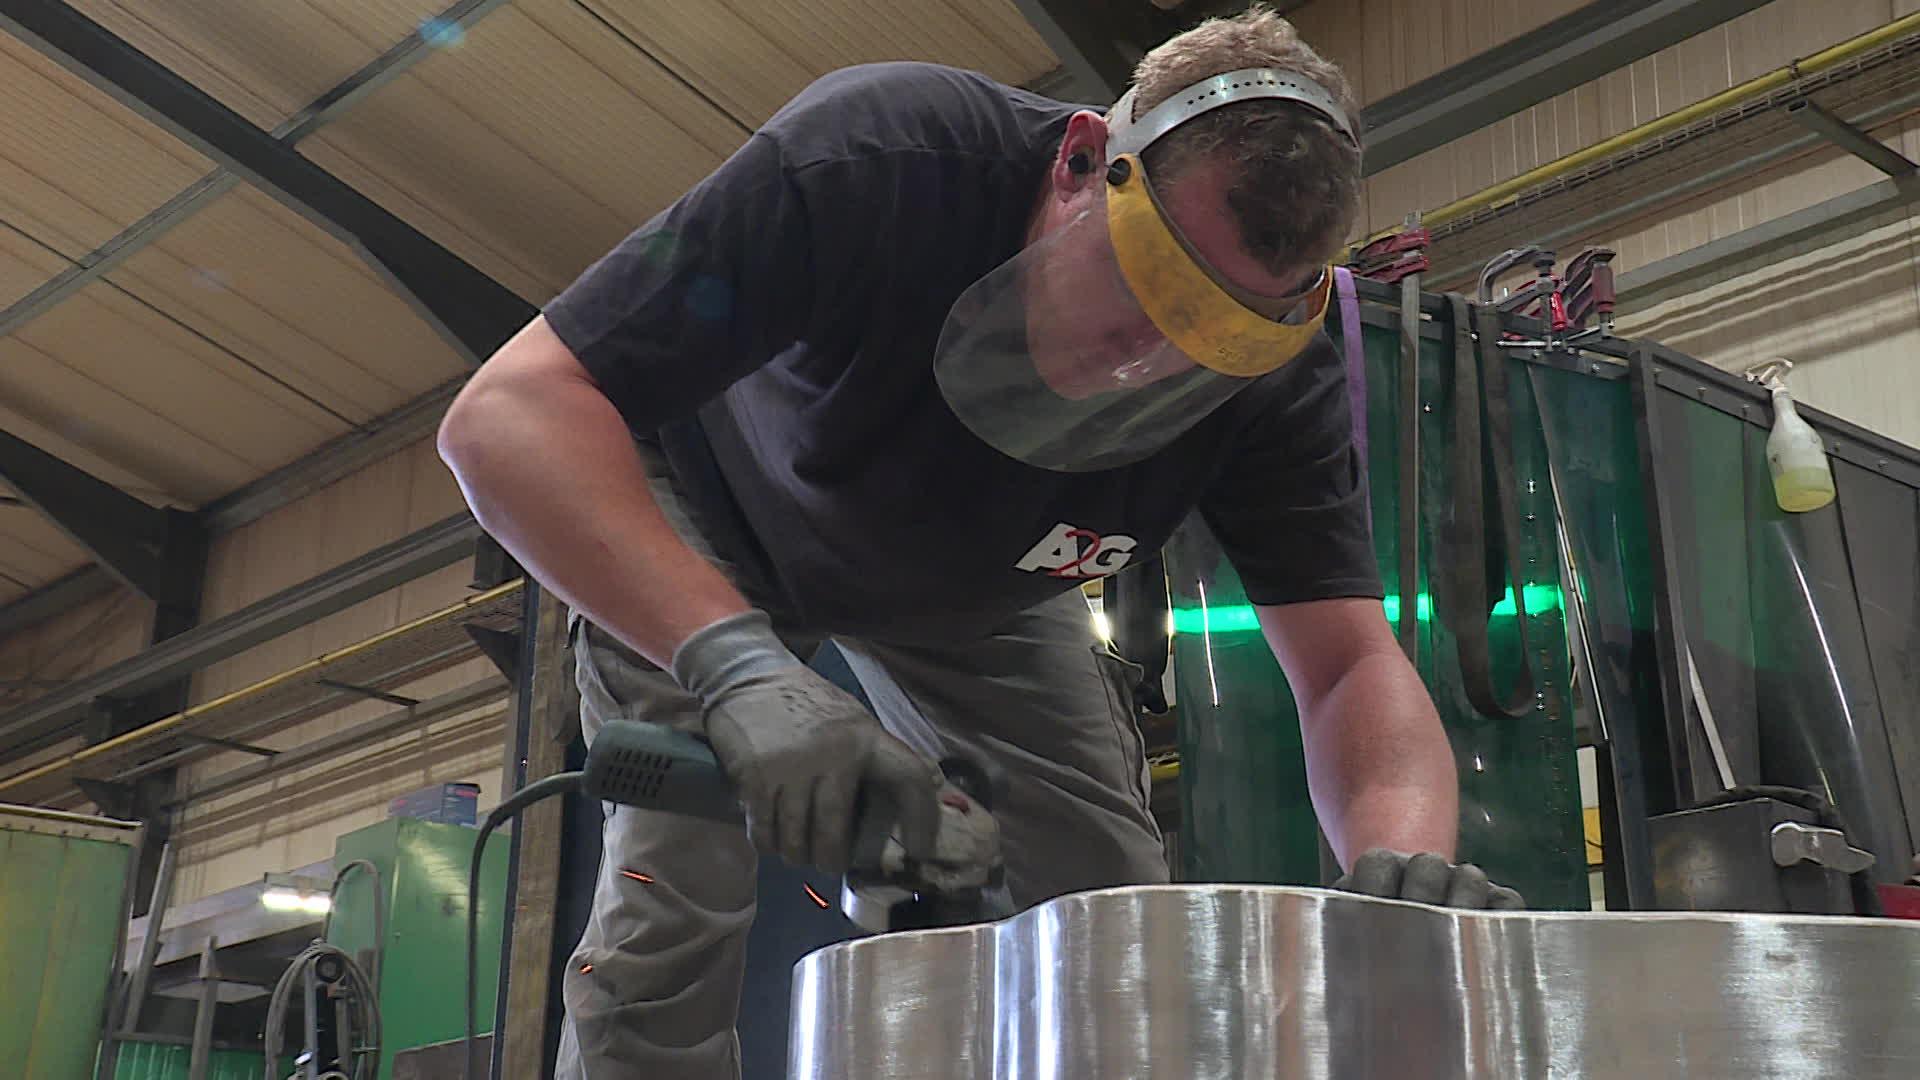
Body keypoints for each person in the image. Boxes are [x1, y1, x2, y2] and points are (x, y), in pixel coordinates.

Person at [438, 8, 1520, 1077]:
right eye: (1148, 286)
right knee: (674, 904)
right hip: (714, 515)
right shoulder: (883, 158)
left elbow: (1346, 667)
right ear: (1085, 161)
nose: (1152, 358)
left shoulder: (1279, 377)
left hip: (983, 582)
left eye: (1217, 337)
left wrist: (1403, 866)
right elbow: (507, 415)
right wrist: (738, 667)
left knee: (1110, 917)